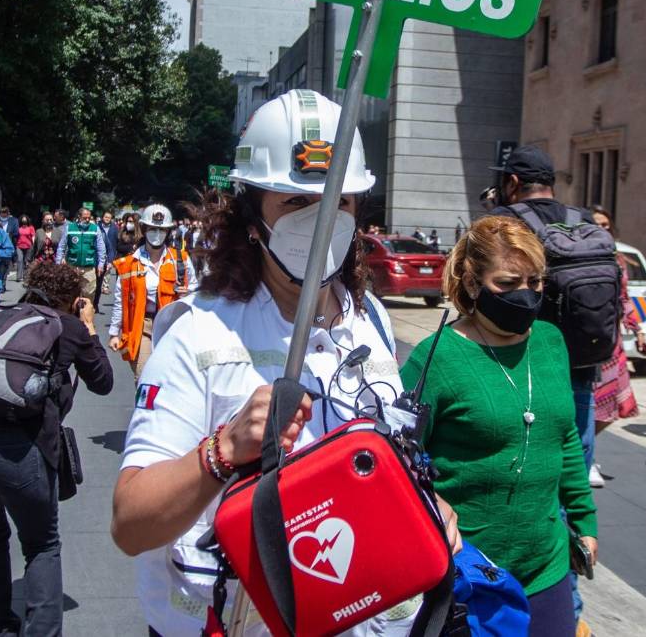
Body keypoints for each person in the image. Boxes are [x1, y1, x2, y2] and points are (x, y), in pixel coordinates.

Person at [111, 90, 457, 636]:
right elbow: (130, 524)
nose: (321, 221)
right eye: (296, 204)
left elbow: (380, 459)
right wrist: (222, 451)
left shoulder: (370, 319)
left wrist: (425, 504)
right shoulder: (197, 333)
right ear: (253, 216)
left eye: (339, 202)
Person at [401, 215, 597, 636]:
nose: (525, 295)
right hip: (467, 572)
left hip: (546, 568)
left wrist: (584, 520)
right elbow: (400, 464)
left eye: (535, 282)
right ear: (472, 284)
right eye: (507, 284)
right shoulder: (435, 359)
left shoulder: (550, 341)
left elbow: (564, 438)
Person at [0, 262, 113, 637]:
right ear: (72, 297)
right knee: (41, 544)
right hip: (18, 449)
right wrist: (89, 325)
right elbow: (103, 381)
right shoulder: (66, 325)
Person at [485, 146, 602, 471]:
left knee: (527, 467)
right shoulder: (585, 221)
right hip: (580, 364)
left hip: (519, 366)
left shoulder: (502, 222)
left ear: (512, 182)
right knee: (575, 462)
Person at [108, 203, 197, 383]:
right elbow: (120, 300)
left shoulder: (181, 260)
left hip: (173, 326)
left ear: (168, 231)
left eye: (162, 229)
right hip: (142, 326)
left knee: (171, 381)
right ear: (144, 229)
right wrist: (113, 333)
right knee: (144, 378)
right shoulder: (130, 263)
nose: (157, 233)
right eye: (153, 229)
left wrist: (188, 294)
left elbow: (196, 290)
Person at [588, 204, 641, 489]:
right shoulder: (583, 256)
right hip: (589, 340)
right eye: (597, 224)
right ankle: (586, 458)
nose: (602, 229)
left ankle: (586, 450)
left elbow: (625, 298)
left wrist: (637, 328)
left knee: (616, 406)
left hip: (614, 341)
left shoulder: (618, 260)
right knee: (594, 405)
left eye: (606, 225)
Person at [55, 206, 106, 302]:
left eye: (89, 218)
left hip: (88, 268)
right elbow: (61, 246)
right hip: (72, 267)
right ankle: (71, 314)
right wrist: (58, 263)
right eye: (84, 217)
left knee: (89, 294)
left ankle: (85, 315)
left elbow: (101, 248)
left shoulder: (95, 229)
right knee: (70, 293)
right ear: (79, 216)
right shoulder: (69, 228)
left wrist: (101, 264)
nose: (87, 220)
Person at [96, 210, 120, 307]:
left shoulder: (115, 228)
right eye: (105, 217)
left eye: (109, 217)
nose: (107, 219)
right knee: (99, 274)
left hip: (110, 252)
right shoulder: (97, 227)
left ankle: (105, 286)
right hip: (99, 253)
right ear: (102, 217)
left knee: (108, 270)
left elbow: (116, 242)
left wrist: (113, 258)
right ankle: (98, 289)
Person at [0, 207, 20, 281]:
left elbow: (16, 234)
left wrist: (8, 235)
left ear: (8, 213)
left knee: (6, 266)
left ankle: (3, 283)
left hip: (8, 246)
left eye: (5, 213)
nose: (3, 214)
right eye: (2, 212)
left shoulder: (14, 221)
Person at [15, 214, 36, 282]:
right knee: (20, 260)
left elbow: (33, 236)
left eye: (25, 220)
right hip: (19, 246)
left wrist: (34, 244)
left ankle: (26, 276)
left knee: (27, 261)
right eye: (23, 220)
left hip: (28, 246)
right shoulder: (18, 228)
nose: (24, 221)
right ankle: (19, 277)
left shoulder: (31, 227)